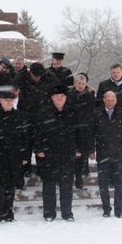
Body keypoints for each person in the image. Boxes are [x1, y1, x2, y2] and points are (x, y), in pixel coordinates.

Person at [35, 85, 81, 222]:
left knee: (66, 185)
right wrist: (39, 149)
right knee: (49, 185)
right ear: (52, 98)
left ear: (65, 98)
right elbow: (38, 133)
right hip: (49, 154)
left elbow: (80, 133)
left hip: (67, 154)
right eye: (57, 96)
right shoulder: (44, 113)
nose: (59, 99)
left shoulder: (72, 113)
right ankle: (49, 213)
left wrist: (78, 148)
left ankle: (67, 213)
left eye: (62, 96)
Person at [0, 90, 29, 222]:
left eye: (11, 100)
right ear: (1, 101)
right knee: (0, 186)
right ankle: (1, 213)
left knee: (11, 186)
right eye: (6, 100)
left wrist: (25, 156)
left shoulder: (19, 116)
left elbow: (25, 138)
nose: (9, 102)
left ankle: (9, 212)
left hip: (14, 157)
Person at [91, 90, 122, 218]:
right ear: (103, 100)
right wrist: (92, 150)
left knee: (119, 184)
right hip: (103, 154)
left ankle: (118, 211)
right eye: (107, 100)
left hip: (118, 155)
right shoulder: (96, 113)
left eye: (112, 100)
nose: (110, 102)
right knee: (103, 184)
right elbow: (91, 133)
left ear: (116, 100)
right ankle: (106, 210)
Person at [68, 72, 96, 189]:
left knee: (82, 155)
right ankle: (69, 180)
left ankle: (79, 179)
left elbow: (93, 111)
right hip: (72, 127)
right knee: (72, 155)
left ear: (86, 84)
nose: (80, 85)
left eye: (83, 83)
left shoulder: (90, 95)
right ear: (75, 83)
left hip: (85, 129)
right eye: (78, 83)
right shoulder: (69, 94)